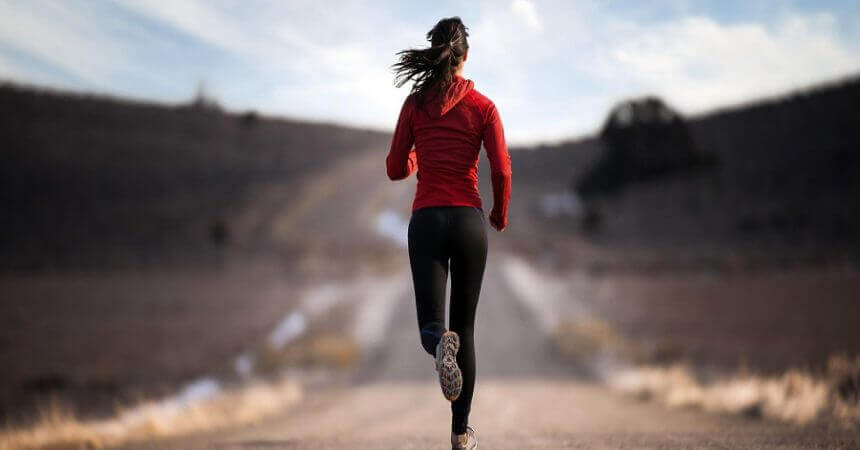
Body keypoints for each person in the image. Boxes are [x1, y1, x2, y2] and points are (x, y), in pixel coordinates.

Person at [386, 16, 511, 450]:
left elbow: (394, 168)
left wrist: (418, 158)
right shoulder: (484, 107)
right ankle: (460, 435)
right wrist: (499, 213)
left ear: (434, 52)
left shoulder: (414, 105)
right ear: (465, 56)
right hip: (469, 222)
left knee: (433, 326)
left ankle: (440, 344)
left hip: (427, 221)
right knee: (466, 330)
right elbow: (501, 168)